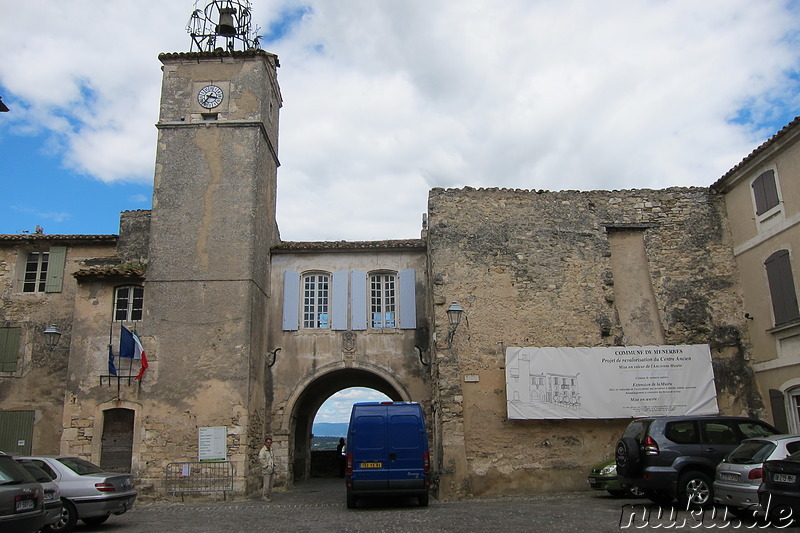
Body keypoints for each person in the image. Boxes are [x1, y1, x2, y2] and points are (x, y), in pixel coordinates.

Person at [258, 437, 275, 501]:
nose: (269, 444)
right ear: (265, 443)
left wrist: (273, 465)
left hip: (271, 468)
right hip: (266, 470)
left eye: (270, 443)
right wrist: (266, 466)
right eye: (268, 442)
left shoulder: (271, 450)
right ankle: (264, 496)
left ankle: (268, 495)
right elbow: (261, 459)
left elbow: (272, 458)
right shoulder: (263, 451)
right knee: (266, 484)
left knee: (270, 484)